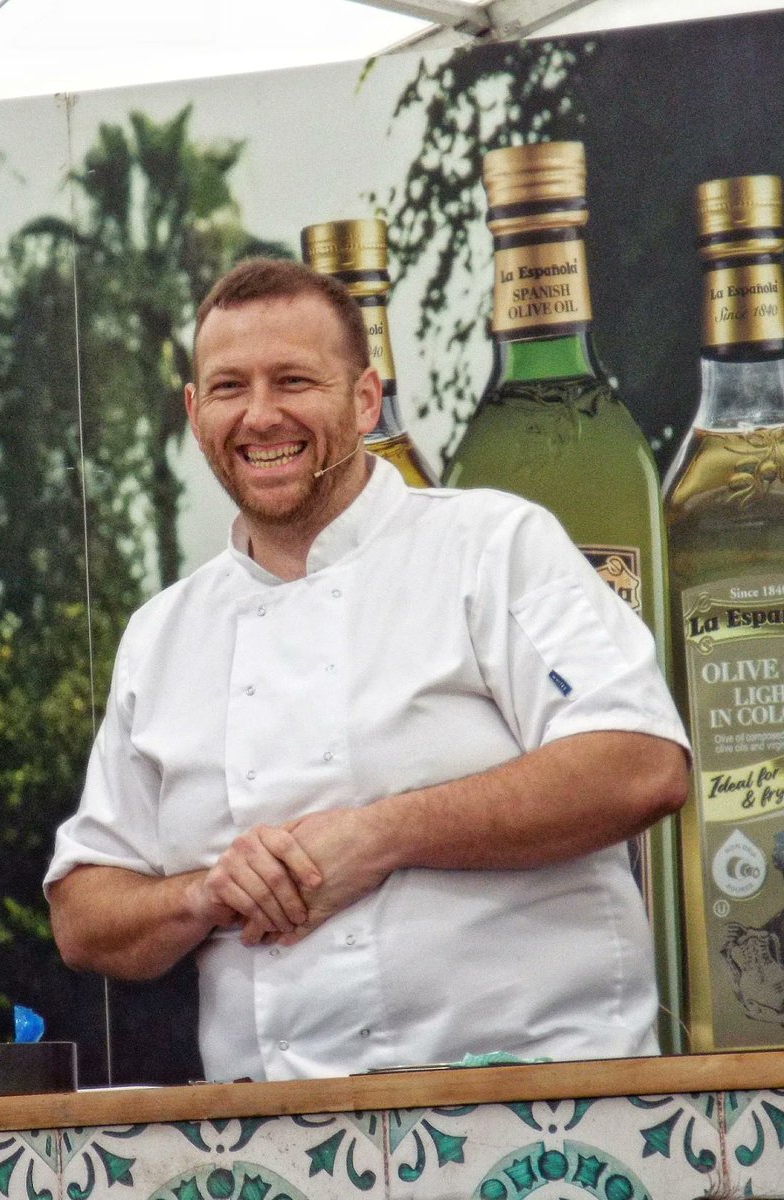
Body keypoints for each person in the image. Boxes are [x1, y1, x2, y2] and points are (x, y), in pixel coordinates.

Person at [45, 257, 689, 1082]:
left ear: (363, 398)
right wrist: (205, 894)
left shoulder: (491, 546)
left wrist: (375, 837)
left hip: (533, 1115)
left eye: (293, 380)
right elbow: (83, 914)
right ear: (194, 410)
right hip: (276, 1143)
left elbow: (637, 765)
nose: (260, 415)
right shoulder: (162, 635)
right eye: (229, 387)